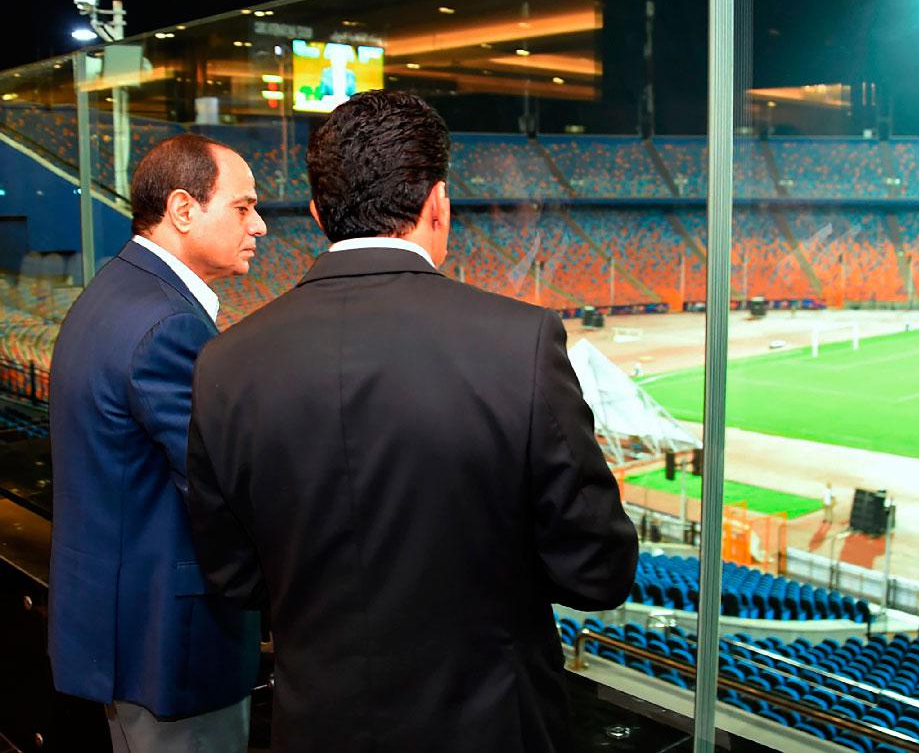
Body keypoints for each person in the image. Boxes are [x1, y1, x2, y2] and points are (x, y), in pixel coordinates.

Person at [186, 90, 638, 753]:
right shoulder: (518, 342)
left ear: (317, 213)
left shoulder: (227, 361)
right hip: (490, 727)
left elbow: (232, 575)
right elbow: (597, 571)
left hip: (316, 727)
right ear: (437, 202)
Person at [48, 133, 267, 752]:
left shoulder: (116, 291)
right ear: (183, 209)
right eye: (243, 207)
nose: (259, 226)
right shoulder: (168, 323)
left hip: (119, 625)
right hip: (169, 646)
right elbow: (218, 484)